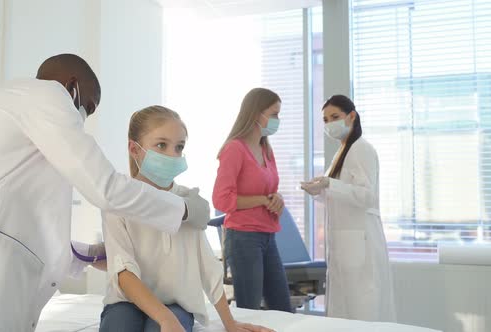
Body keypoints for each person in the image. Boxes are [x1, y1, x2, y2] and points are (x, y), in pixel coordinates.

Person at [0, 54, 202, 332]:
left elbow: (35, 218)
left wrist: (89, 254)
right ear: (72, 87)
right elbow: (106, 188)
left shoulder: (15, 117)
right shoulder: (45, 96)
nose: (85, 116)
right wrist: (184, 209)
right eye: (89, 106)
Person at [99, 106, 274, 332]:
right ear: (135, 149)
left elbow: (208, 268)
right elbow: (123, 271)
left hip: (176, 304)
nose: (173, 154)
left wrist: (230, 323)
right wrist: (164, 318)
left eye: (179, 147)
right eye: (161, 145)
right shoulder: (118, 201)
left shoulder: (190, 204)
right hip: (125, 302)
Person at [300, 94, 396, 322]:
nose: (329, 123)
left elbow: (367, 197)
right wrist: (319, 191)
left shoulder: (361, 149)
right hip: (344, 244)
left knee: (362, 308)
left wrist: (330, 183)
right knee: (343, 310)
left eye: (334, 117)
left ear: (351, 116)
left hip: (359, 242)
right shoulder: (342, 152)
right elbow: (343, 195)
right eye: (324, 119)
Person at [212, 88, 292, 313]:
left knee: (283, 309)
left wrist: (277, 198)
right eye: (274, 114)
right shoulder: (235, 149)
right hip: (243, 238)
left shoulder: (265, 148)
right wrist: (262, 200)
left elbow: (270, 190)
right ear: (256, 114)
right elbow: (221, 198)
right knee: (250, 310)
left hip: (268, 236)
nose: (277, 120)